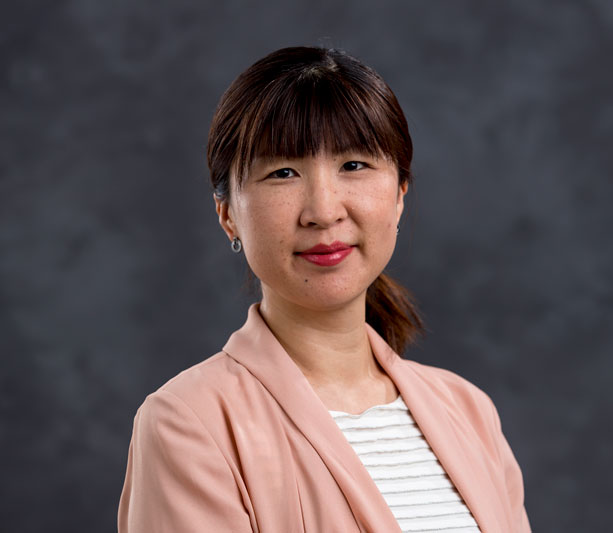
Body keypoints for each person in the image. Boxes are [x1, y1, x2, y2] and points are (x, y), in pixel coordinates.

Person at [118, 46, 531, 533]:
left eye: (353, 165)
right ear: (227, 215)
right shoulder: (190, 424)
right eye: (283, 173)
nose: (323, 210)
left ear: (400, 193)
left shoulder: (468, 411)